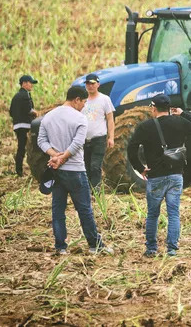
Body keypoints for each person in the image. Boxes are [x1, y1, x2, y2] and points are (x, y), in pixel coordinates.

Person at [126, 95, 191, 257]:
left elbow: (131, 148)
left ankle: (151, 248)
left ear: (154, 108)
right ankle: (172, 249)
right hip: (176, 175)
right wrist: (183, 114)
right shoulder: (180, 122)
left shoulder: (145, 126)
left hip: (155, 176)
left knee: (153, 214)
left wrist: (140, 168)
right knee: (173, 213)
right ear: (169, 109)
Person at [37, 86, 109, 255]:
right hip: (75, 170)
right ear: (76, 99)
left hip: (56, 170)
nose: (84, 106)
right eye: (83, 102)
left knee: (58, 211)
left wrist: (54, 156)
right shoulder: (80, 118)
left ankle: (60, 247)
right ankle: (94, 245)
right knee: (84, 210)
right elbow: (77, 144)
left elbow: (41, 140)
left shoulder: (48, 116)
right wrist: (62, 157)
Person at [81, 73, 115, 189]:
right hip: (84, 139)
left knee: (95, 166)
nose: (90, 86)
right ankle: (88, 190)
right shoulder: (82, 100)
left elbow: (110, 119)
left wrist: (111, 137)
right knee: (85, 166)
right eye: (87, 84)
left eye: (92, 83)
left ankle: (96, 191)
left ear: (98, 84)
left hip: (99, 138)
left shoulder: (104, 99)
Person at [9, 74, 38, 176]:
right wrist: (36, 113)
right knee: (30, 147)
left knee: (20, 148)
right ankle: (23, 171)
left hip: (17, 126)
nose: (31, 86)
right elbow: (29, 110)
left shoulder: (15, 96)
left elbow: (11, 112)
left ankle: (19, 170)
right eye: (30, 83)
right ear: (24, 83)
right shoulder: (26, 95)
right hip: (25, 125)